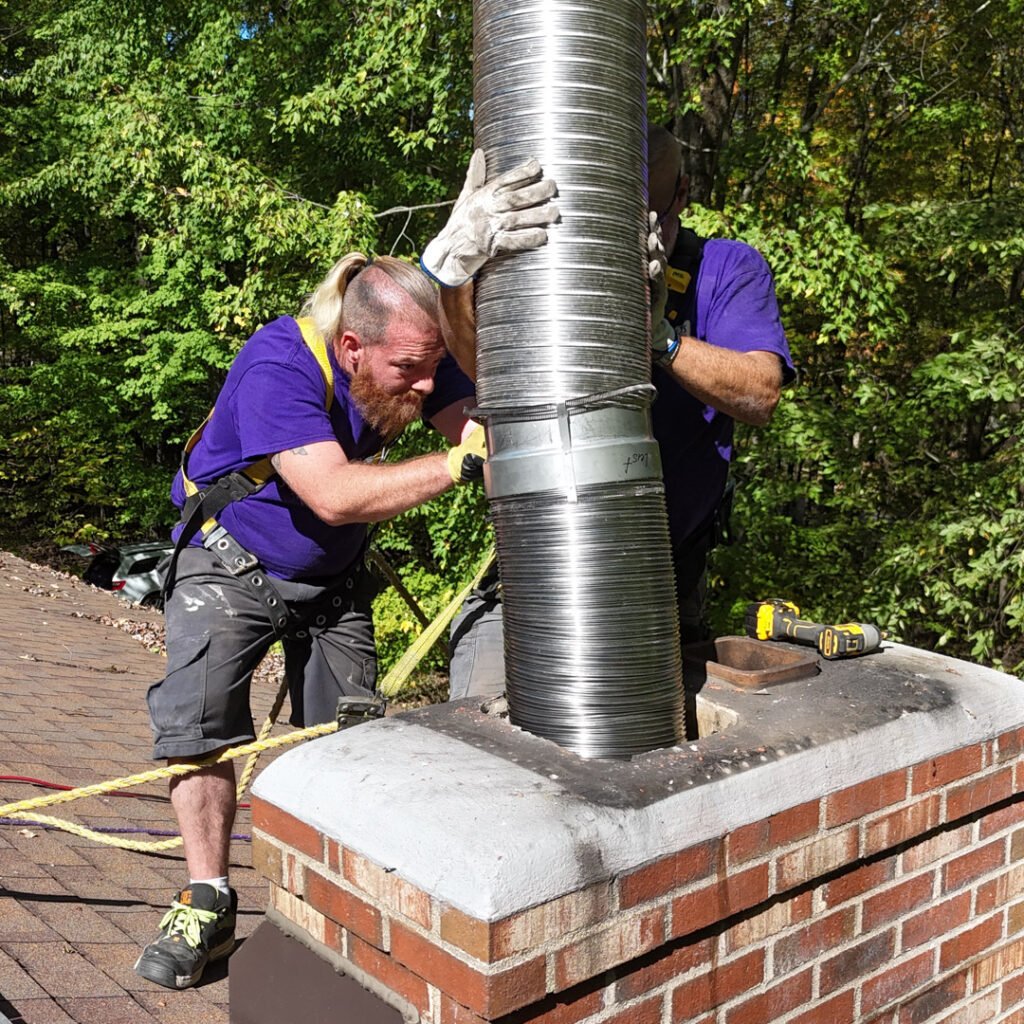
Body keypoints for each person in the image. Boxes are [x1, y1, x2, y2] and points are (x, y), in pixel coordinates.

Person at [134, 151, 558, 991]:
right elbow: (330, 494)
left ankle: (329, 913)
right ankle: (208, 897)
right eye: (411, 370)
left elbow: (475, 416)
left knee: (355, 744)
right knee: (200, 727)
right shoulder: (278, 369)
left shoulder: (400, 359)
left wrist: (464, 288)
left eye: (432, 365)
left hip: (331, 579)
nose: (428, 384)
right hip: (232, 564)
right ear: (354, 348)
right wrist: (456, 467)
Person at [446, 125, 795, 699]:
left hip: (667, 576)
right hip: (541, 559)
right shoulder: (549, 264)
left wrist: (661, 337)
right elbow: (483, 371)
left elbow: (761, 392)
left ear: (681, 194)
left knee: (649, 736)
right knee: (489, 740)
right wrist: (453, 273)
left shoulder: (726, 269)